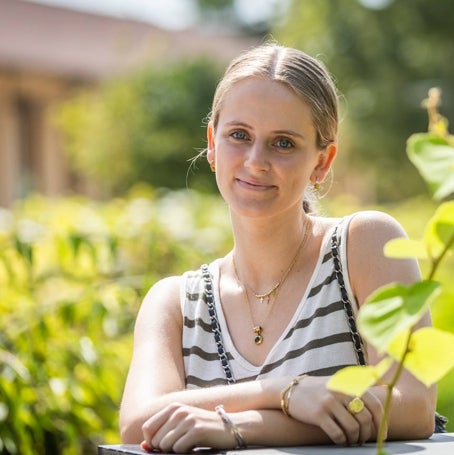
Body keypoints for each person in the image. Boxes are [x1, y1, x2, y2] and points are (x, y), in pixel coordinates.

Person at [118, 42, 437, 453]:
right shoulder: (174, 302)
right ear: (212, 144)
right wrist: (281, 391)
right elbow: (139, 422)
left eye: (283, 142)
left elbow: (412, 405)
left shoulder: (365, 244)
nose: (256, 160)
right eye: (239, 135)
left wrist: (237, 427)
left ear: (322, 162)